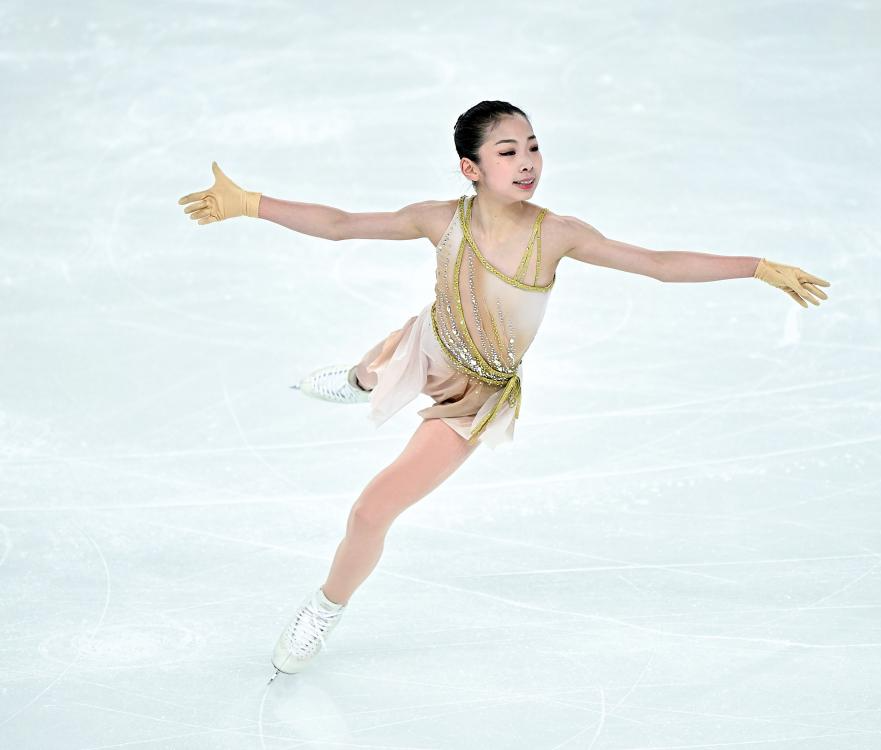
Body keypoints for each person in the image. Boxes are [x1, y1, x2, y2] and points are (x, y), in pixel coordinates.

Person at [177, 100, 831, 683]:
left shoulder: (559, 234)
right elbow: (341, 223)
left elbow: (658, 265)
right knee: (386, 361)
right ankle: (359, 381)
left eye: (533, 147)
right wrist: (250, 202)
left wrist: (755, 267)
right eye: (508, 151)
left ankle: (324, 607)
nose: (527, 163)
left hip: (473, 395)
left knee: (371, 512)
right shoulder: (439, 219)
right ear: (471, 168)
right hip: (427, 343)